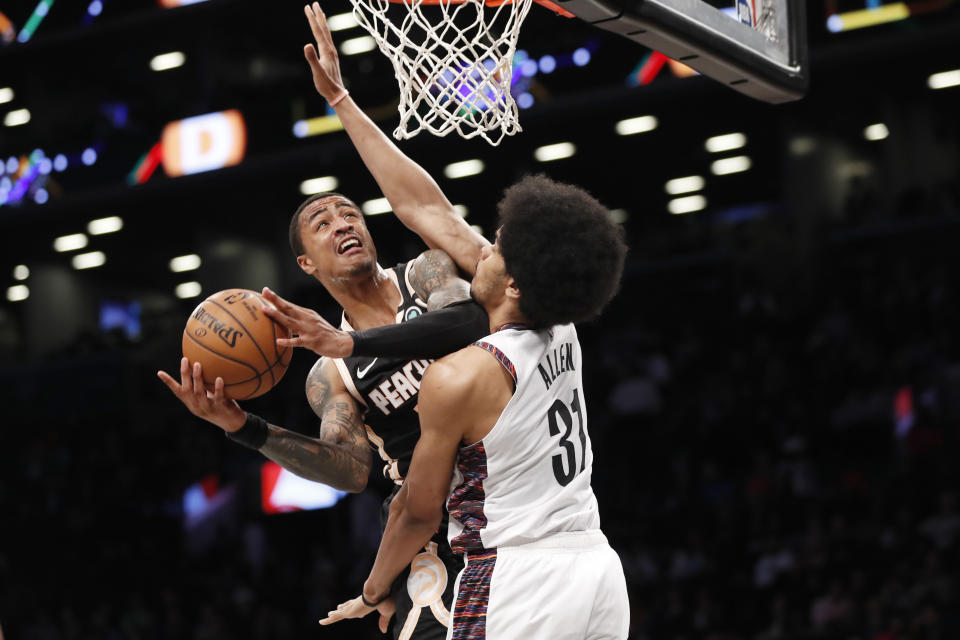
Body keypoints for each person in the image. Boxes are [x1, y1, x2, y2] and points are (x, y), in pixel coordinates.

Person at [157, 4, 493, 639]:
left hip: (513, 491)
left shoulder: (424, 274)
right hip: (439, 536)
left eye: (349, 213)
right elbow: (350, 470)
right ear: (307, 263)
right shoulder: (331, 373)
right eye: (324, 221)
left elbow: (470, 323)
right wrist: (242, 426)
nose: (343, 222)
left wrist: (355, 338)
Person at [319, 174, 631, 639]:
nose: (481, 249)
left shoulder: (459, 377)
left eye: (496, 248)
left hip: (518, 579)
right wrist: (343, 101)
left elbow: (417, 513)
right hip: (597, 568)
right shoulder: (565, 325)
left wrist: (372, 589)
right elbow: (432, 212)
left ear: (516, 286)